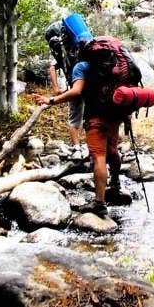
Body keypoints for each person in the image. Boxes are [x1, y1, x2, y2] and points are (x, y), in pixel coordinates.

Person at [37, 44, 122, 219]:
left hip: (95, 117)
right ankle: (116, 184)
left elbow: (76, 92)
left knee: (99, 156)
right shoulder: (114, 63)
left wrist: (51, 100)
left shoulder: (81, 66)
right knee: (113, 150)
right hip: (115, 114)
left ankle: (99, 203)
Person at [45, 22, 87, 161]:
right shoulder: (80, 44)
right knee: (92, 117)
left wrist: (56, 89)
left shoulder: (60, 49)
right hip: (92, 85)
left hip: (75, 86)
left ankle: (77, 148)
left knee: (74, 120)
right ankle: (95, 145)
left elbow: (52, 68)